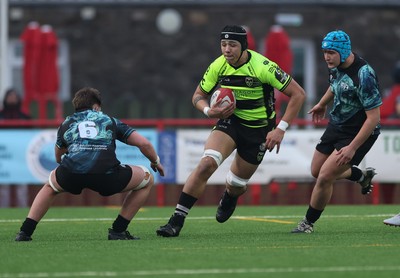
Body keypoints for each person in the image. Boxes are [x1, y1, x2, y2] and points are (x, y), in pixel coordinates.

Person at [156, 25, 306, 237]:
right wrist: (209, 110)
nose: (227, 49)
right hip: (230, 123)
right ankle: (176, 221)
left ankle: (231, 195)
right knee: (206, 163)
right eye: (224, 44)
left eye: (232, 45)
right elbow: (197, 95)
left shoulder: (263, 66)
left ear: (244, 46)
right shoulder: (218, 65)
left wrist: (280, 129)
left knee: (237, 184)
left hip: (258, 130)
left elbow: (298, 94)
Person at [15, 87, 165, 241]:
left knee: (50, 186)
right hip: (106, 175)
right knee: (147, 178)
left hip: (71, 173)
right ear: (96, 106)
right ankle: (118, 231)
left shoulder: (67, 123)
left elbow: (58, 156)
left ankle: (25, 232)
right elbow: (144, 144)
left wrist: (66, 167)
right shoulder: (108, 120)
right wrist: (155, 162)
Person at [292, 30, 382, 233]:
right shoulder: (336, 65)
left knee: (325, 176)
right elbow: (335, 85)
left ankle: (308, 223)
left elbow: (374, 118)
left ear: (343, 51)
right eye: (324, 52)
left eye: (331, 52)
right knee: (316, 171)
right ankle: (360, 176)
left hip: (359, 131)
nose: (326, 57)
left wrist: (352, 147)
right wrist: (322, 103)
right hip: (337, 125)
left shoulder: (364, 74)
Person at [0, 88, 31, 208]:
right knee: (3, 187)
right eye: (10, 96)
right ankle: (3, 211)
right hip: (4, 156)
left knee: (22, 187)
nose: (12, 99)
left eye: (14, 96)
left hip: (20, 155)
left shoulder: (25, 117)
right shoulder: (1, 115)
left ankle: (23, 211)